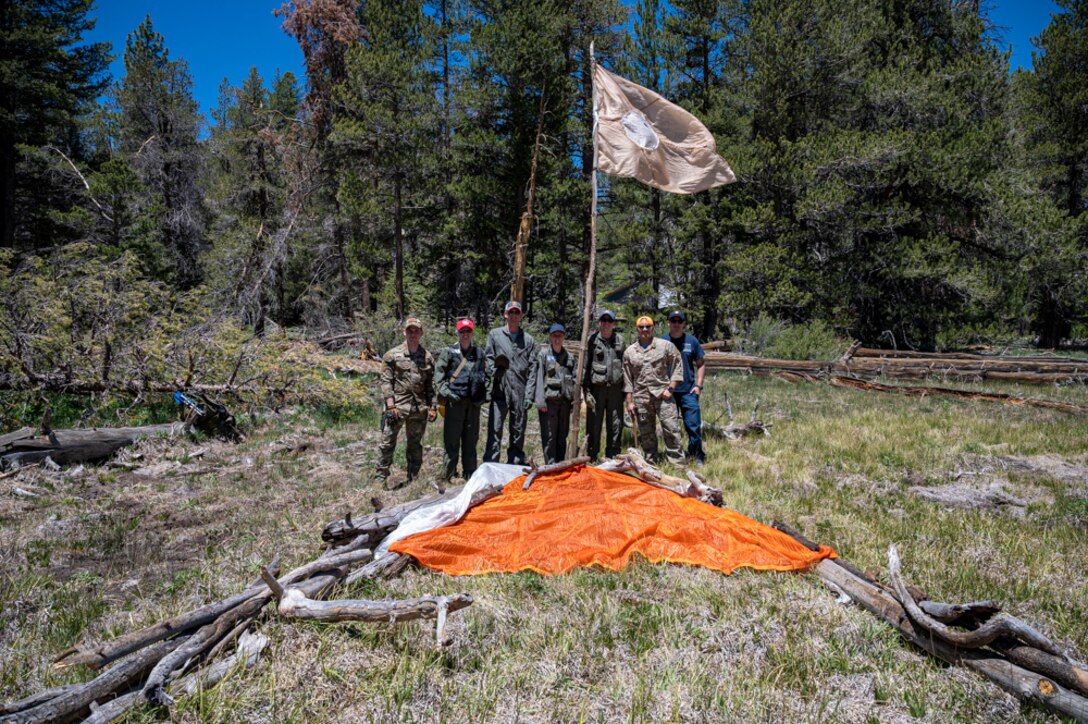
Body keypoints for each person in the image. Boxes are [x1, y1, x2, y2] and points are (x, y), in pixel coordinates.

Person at [376, 317, 437, 488]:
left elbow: (431, 385)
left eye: (416, 330)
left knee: (415, 444)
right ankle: (380, 478)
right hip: (397, 408)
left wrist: (432, 407)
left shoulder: (427, 357)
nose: (412, 334)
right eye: (409, 330)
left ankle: (413, 477)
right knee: (387, 442)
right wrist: (390, 405)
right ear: (404, 332)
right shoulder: (392, 355)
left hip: (419, 409)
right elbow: (386, 381)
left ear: (421, 333)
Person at [623, 315, 685, 465]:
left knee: (671, 428)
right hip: (642, 397)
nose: (645, 329)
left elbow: (678, 364)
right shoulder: (629, 352)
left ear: (653, 328)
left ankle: (677, 463)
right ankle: (651, 463)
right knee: (646, 433)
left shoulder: (665, 346)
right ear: (637, 329)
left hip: (663, 395)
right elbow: (627, 378)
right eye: (641, 327)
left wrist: (671, 388)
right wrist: (629, 402)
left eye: (648, 326)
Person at [484, 301, 536, 464]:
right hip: (500, 388)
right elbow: (488, 358)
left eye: (516, 313)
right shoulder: (495, 335)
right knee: (495, 428)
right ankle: (491, 464)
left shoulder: (527, 339)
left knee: (518, 429)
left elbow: (533, 369)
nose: (513, 316)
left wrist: (529, 394)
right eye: (510, 312)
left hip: (520, 389)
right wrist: (493, 371)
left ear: (521, 315)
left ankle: (515, 463)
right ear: (505, 314)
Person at [435, 318, 486, 482]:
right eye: (462, 331)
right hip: (454, 403)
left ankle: (469, 473)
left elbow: (487, 376)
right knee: (452, 440)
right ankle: (449, 474)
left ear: (472, 333)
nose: (465, 334)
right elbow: (439, 377)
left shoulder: (479, 353)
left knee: (471, 439)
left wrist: (483, 397)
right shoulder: (448, 352)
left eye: (468, 331)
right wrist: (448, 394)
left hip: (473, 404)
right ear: (457, 333)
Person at [663, 310, 707, 465]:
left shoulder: (692, 341)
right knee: (670, 427)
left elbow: (701, 364)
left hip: (688, 391)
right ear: (668, 323)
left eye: (679, 321)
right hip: (669, 393)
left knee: (693, 426)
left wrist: (699, 386)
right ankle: (676, 457)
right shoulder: (662, 342)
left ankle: (697, 455)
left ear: (683, 324)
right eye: (673, 321)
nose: (676, 324)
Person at [527, 323, 576, 464]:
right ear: (550, 337)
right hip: (549, 404)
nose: (557, 339)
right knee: (549, 436)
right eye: (554, 335)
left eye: (560, 335)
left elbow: (573, 380)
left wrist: (574, 401)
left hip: (565, 403)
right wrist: (540, 401)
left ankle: (560, 464)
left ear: (564, 337)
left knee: (562, 435)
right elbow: (539, 378)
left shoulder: (570, 357)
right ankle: (550, 464)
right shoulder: (543, 355)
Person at [582, 309, 626, 461]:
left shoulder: (620, 340)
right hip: (597, 390)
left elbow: (626, 367)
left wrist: (627, 392)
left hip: (616, 390)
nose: (606, 323)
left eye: (609, 321)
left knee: (615, 424)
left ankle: (612, 456)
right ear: (599, 322)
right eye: (603, 320)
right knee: (594, 423)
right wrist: (586, 391)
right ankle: (592, 456)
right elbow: (585, 367)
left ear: (614, 324)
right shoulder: (592, 340)